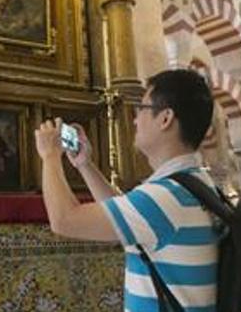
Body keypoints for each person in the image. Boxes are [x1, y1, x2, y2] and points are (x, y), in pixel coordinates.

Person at [35, 69, 221, 312]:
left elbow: (64, 220)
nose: (134, 120)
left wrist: (50, 156)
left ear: (165, 119)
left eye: (141, 109)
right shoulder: (191, 183)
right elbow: (125, 217)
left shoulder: (166, 197)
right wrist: (85, 165)